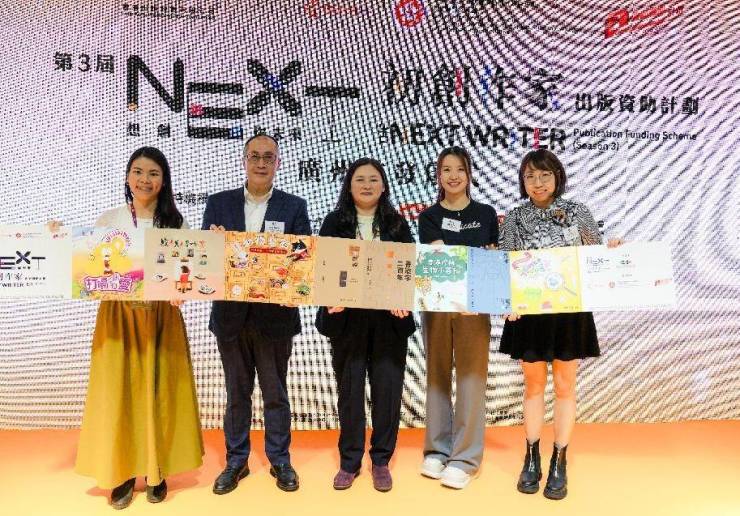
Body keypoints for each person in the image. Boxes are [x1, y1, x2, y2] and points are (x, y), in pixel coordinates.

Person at [66, 146, 203, 509]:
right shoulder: (109, 219)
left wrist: (180, 294)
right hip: (118, 317)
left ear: (164, 181)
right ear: (128, 177)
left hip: (161, 317)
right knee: (119, 393)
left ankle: (157, 471)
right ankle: (123, 471)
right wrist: (58, 240)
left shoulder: (176, 223)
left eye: (154, 173)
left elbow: (187, 274)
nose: (145, 180)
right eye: (138, 172)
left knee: (161, 392)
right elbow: (90, 270)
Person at [499, 149, 622, 500]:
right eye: (530, 176)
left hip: (570, 312)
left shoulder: (578, 211)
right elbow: (504, 265)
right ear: (522, 181)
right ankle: (531, 456)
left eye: (544, 175)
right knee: (533, 386)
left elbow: (596, 257)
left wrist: (613, 251)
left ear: (557, 177)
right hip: (529, 315)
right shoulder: (514, 218)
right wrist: (507, 302)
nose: (537, 182)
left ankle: (560, 459)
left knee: (566, 387)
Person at [202, 134, 310, 494]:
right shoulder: (218, 204)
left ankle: (280, 459)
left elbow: (303, 259)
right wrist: (214, 244)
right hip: (230, 317)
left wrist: (296, 290)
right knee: (237, 394)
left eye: (268, 157)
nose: (261, 163)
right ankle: (236, 461)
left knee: (275, 393)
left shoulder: (294, 207)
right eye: (254, 156)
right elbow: (204, 259)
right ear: (244, 160)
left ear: (278, 163)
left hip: (275, 318)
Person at [315, 158, 416, 492]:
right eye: (360, 179)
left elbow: (409, 269)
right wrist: (329, 297)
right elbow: (321, 266)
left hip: (389, 321)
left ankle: (382, 461)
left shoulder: (397, 223)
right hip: (348, 320)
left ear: (384, 186)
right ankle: (350, 461)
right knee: (350, 391)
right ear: (349, 185)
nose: (367, 185)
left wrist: (403, 298)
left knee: (388, 391)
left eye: (374, 179)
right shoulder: (334, 222)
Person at [417, 147, 498, 489]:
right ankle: (437, 450)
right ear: (438, 176)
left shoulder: (486, 213)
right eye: (446, 170)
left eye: (459, 169)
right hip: (438, 305)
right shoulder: (429, 216)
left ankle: (465, 458)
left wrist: (482, 290)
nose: (453, 176)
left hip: (474, 308)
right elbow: (441, 259)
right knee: (436, 376)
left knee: (471, 378)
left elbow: (491, 257)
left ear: (469, 174)